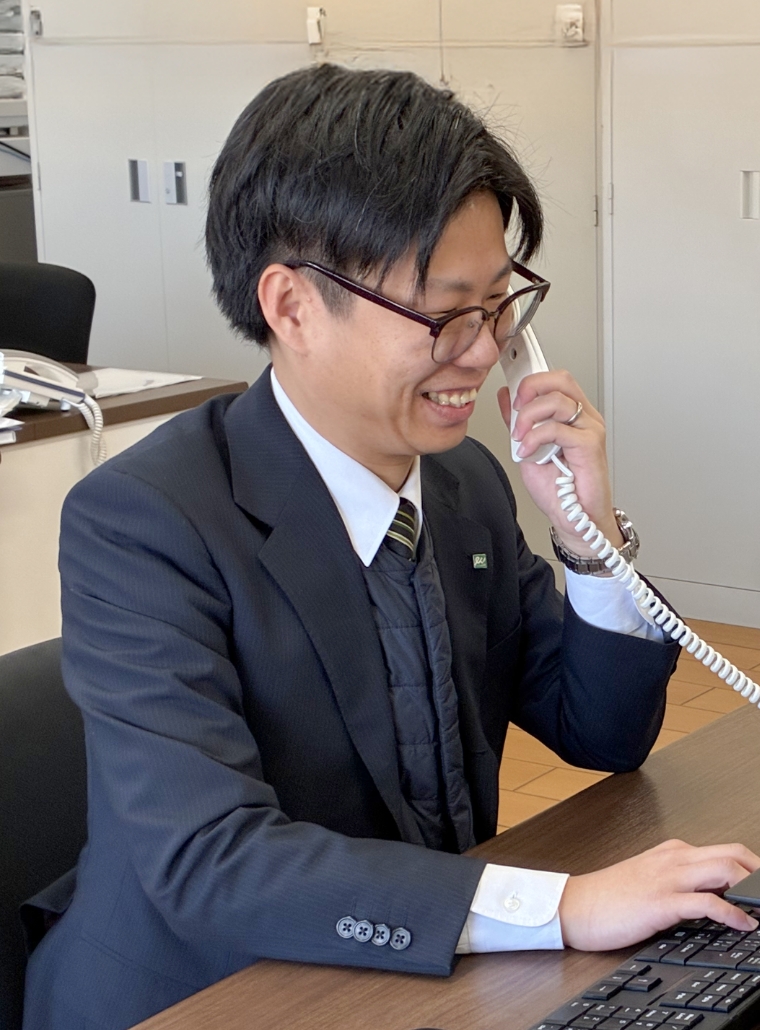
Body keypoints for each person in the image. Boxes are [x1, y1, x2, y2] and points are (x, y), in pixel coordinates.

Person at [23, 63, 759, 1030]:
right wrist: (563, 905)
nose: (485, 350)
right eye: (446, 313)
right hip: (205, 993)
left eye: (499, 304)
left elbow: (604, 733)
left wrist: (591, 535)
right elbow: (212, 860)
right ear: (292, 307)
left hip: (421, 973)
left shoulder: (462, 485)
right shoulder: (144, 522)